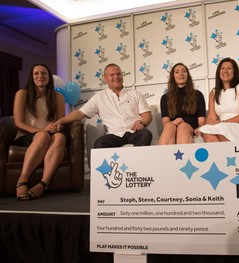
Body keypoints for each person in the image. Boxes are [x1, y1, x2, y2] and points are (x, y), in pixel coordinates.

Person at [52, 63, 153, 148]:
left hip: (134, 132)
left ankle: (137, 166)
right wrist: (60, 121)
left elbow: (147, 115)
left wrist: (142, 123)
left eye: (118, 74)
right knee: (100, 143)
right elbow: (80, 113)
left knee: (146, 134)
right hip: (115, 135)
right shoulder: (99, 97)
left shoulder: (135, 94)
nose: (116, 77)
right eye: (112, 75)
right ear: (105, 78)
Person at [13, 63, 66, 200]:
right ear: (32, 77)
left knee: (60, 137)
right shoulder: (22, 94)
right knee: (42, 136)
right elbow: (18, 122)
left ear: (49, 77)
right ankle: (22, 179)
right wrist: (41, 130)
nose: (40, 76)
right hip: (26, 134)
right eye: (36, 73)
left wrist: (56, 127)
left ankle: (44, 183)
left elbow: (60, 121)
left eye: (44, 73)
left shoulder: (58, 97)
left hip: (49, 133)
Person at [199, 57, 239, 142]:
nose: (225, 71)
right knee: (207, 132)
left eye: (229, 68)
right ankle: (222, 155)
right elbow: (211, 117)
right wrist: (204, 127)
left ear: (234, 72)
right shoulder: (214, 92)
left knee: (221, 130)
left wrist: (223, 123)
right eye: (222, 68)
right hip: (223, 125)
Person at [159, 63, 206, 145]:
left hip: (190, 128)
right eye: (177, 72)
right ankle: (163, 157)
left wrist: (200, 128)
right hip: (173, 127)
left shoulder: (198, 95)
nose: (181, 74)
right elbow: (165, 122)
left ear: (188, 75)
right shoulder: (165, 98)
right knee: (169, 126)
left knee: (182, 126)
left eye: (184, 71)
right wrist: (173, 122)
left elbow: (201, 121)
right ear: (173, 76)